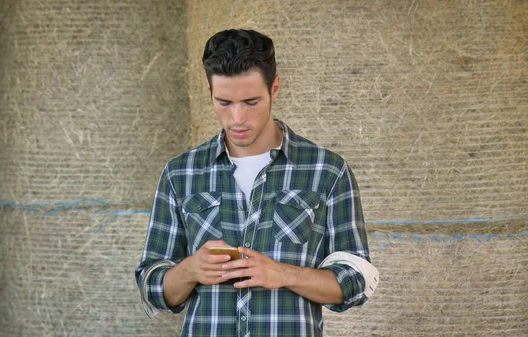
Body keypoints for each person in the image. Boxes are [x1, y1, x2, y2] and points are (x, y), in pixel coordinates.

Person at [135, 29, 379, 337]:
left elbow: (355, 282)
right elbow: (152, 286)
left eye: (251, 102)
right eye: (224, 102)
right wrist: (191, 270)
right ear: (209, 91)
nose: (237, 117)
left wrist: (283, 274)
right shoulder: (180, 174)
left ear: (274, 88)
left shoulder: (327, 170)